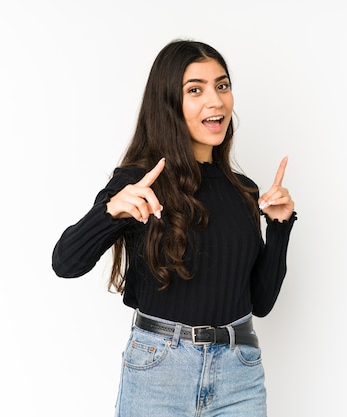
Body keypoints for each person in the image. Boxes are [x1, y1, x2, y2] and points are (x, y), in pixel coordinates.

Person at [52, 39, 297, 417]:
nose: (215, 101)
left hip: (240, 373)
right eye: (195, 90)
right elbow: (65, 263)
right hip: (159, 372)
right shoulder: (139, 182)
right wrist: (111, 212)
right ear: (169, 103)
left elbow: (261, 303)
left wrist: (279, 226)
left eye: (222, 85)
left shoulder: (244, 191)